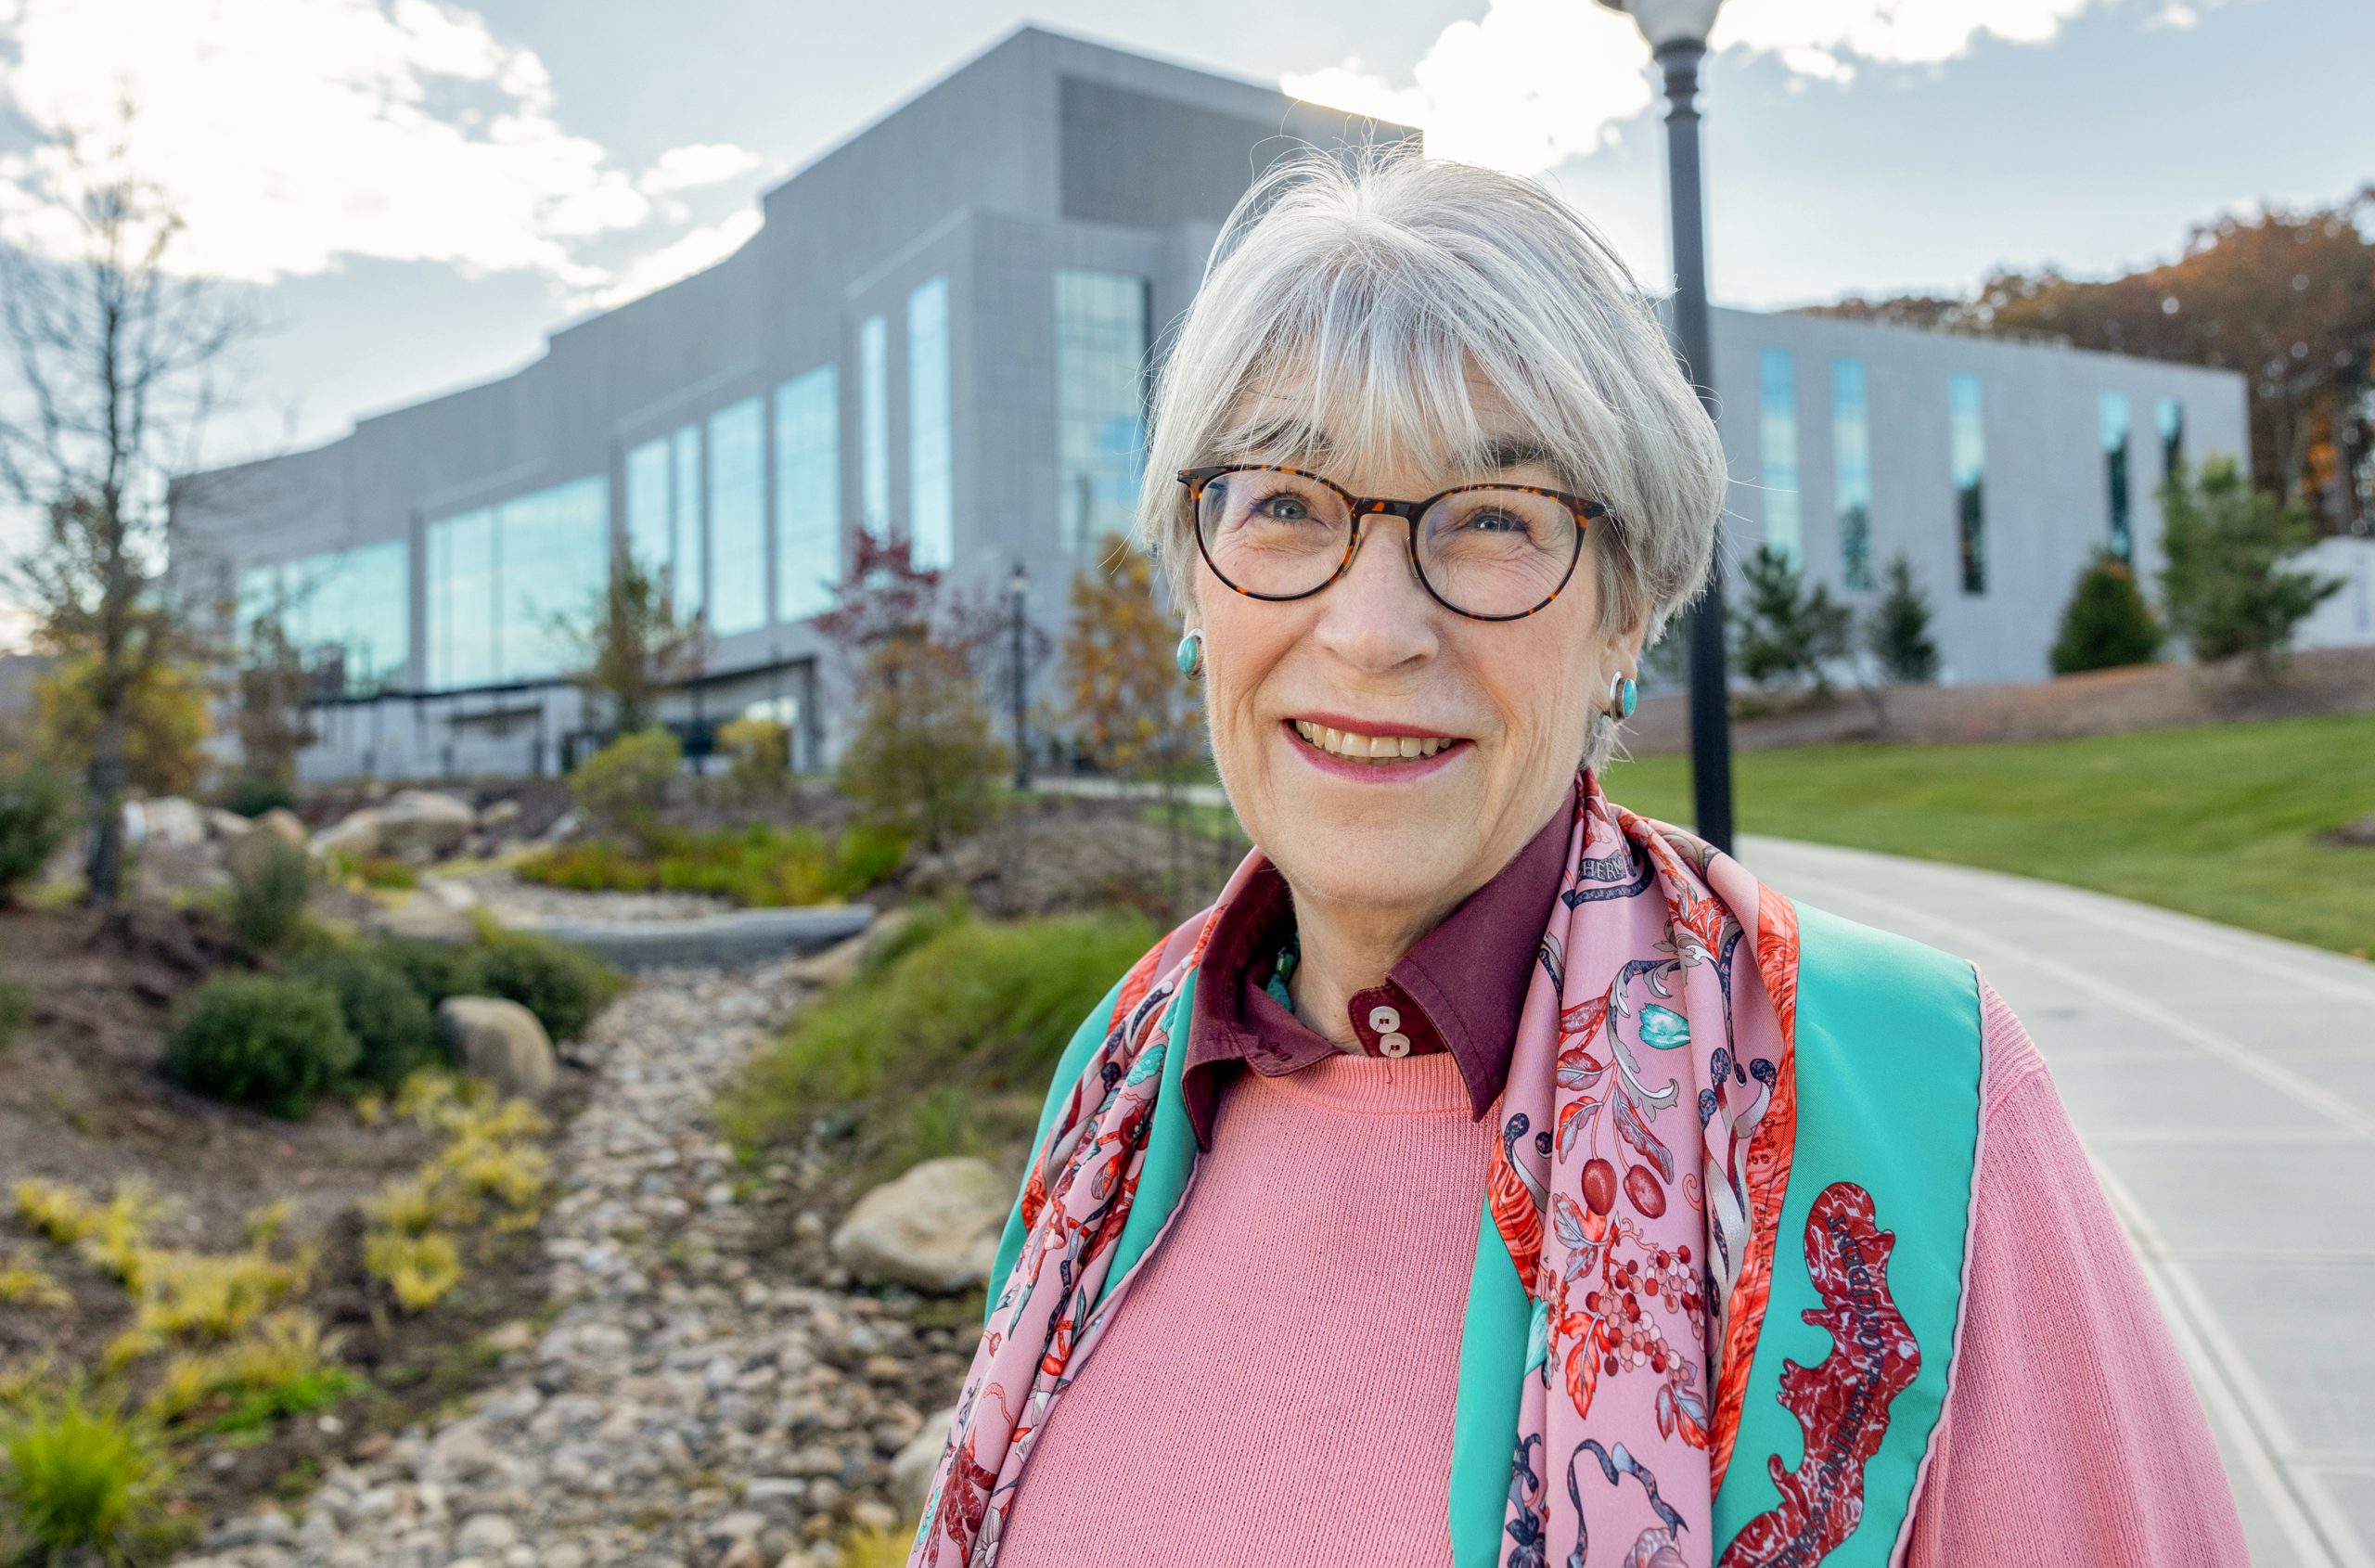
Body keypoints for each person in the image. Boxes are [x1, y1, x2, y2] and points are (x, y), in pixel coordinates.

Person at [908, 141, 2249, 1568]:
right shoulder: (1118, 1083)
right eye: (1286, 505)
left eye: (1493, 520)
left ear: (1626, 615)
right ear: (1194, 584)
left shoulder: (1922, 1098)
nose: (1371, 631)